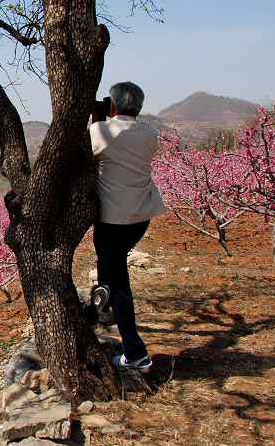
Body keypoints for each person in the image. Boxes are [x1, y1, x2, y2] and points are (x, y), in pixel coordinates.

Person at [88, 81, 165, 373]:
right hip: (140, 218)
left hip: (112, 220)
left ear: (113, 105)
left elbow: (93, 147)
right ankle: (103, 301)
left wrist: (97, 118)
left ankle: (135, 354)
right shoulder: (150, 134)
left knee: (118, 283)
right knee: (110, 270)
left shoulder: (101, 131)